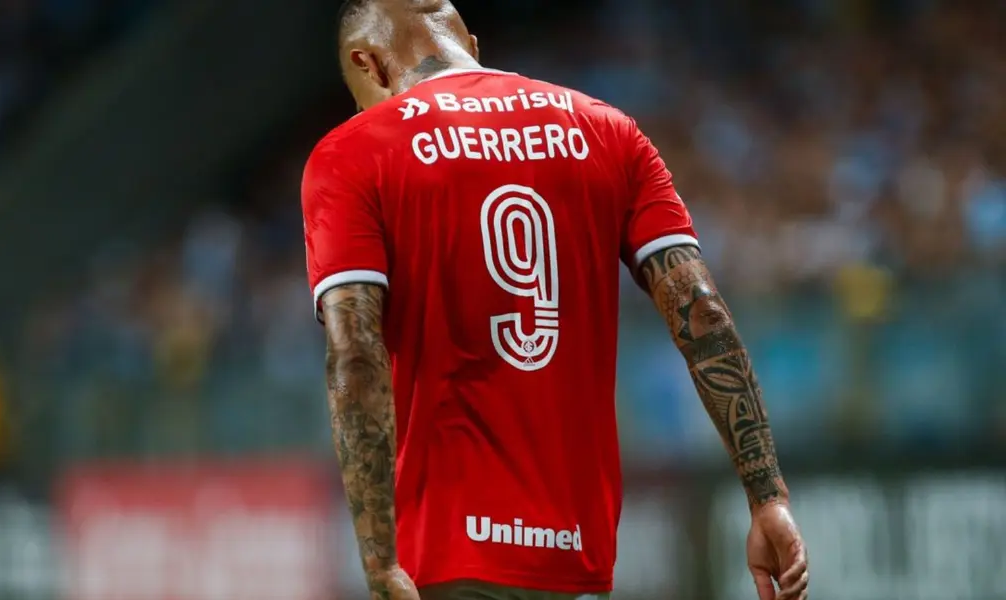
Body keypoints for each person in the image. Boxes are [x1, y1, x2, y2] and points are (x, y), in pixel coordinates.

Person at [301, 1, 809, 599]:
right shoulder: (609, 130)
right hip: (577, 554)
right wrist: (767, 497)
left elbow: (355, 354)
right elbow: (705, 313)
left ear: (369, 63)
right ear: (471, 42)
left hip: (443, 556)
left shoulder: (354, 151)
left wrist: (380, 561)